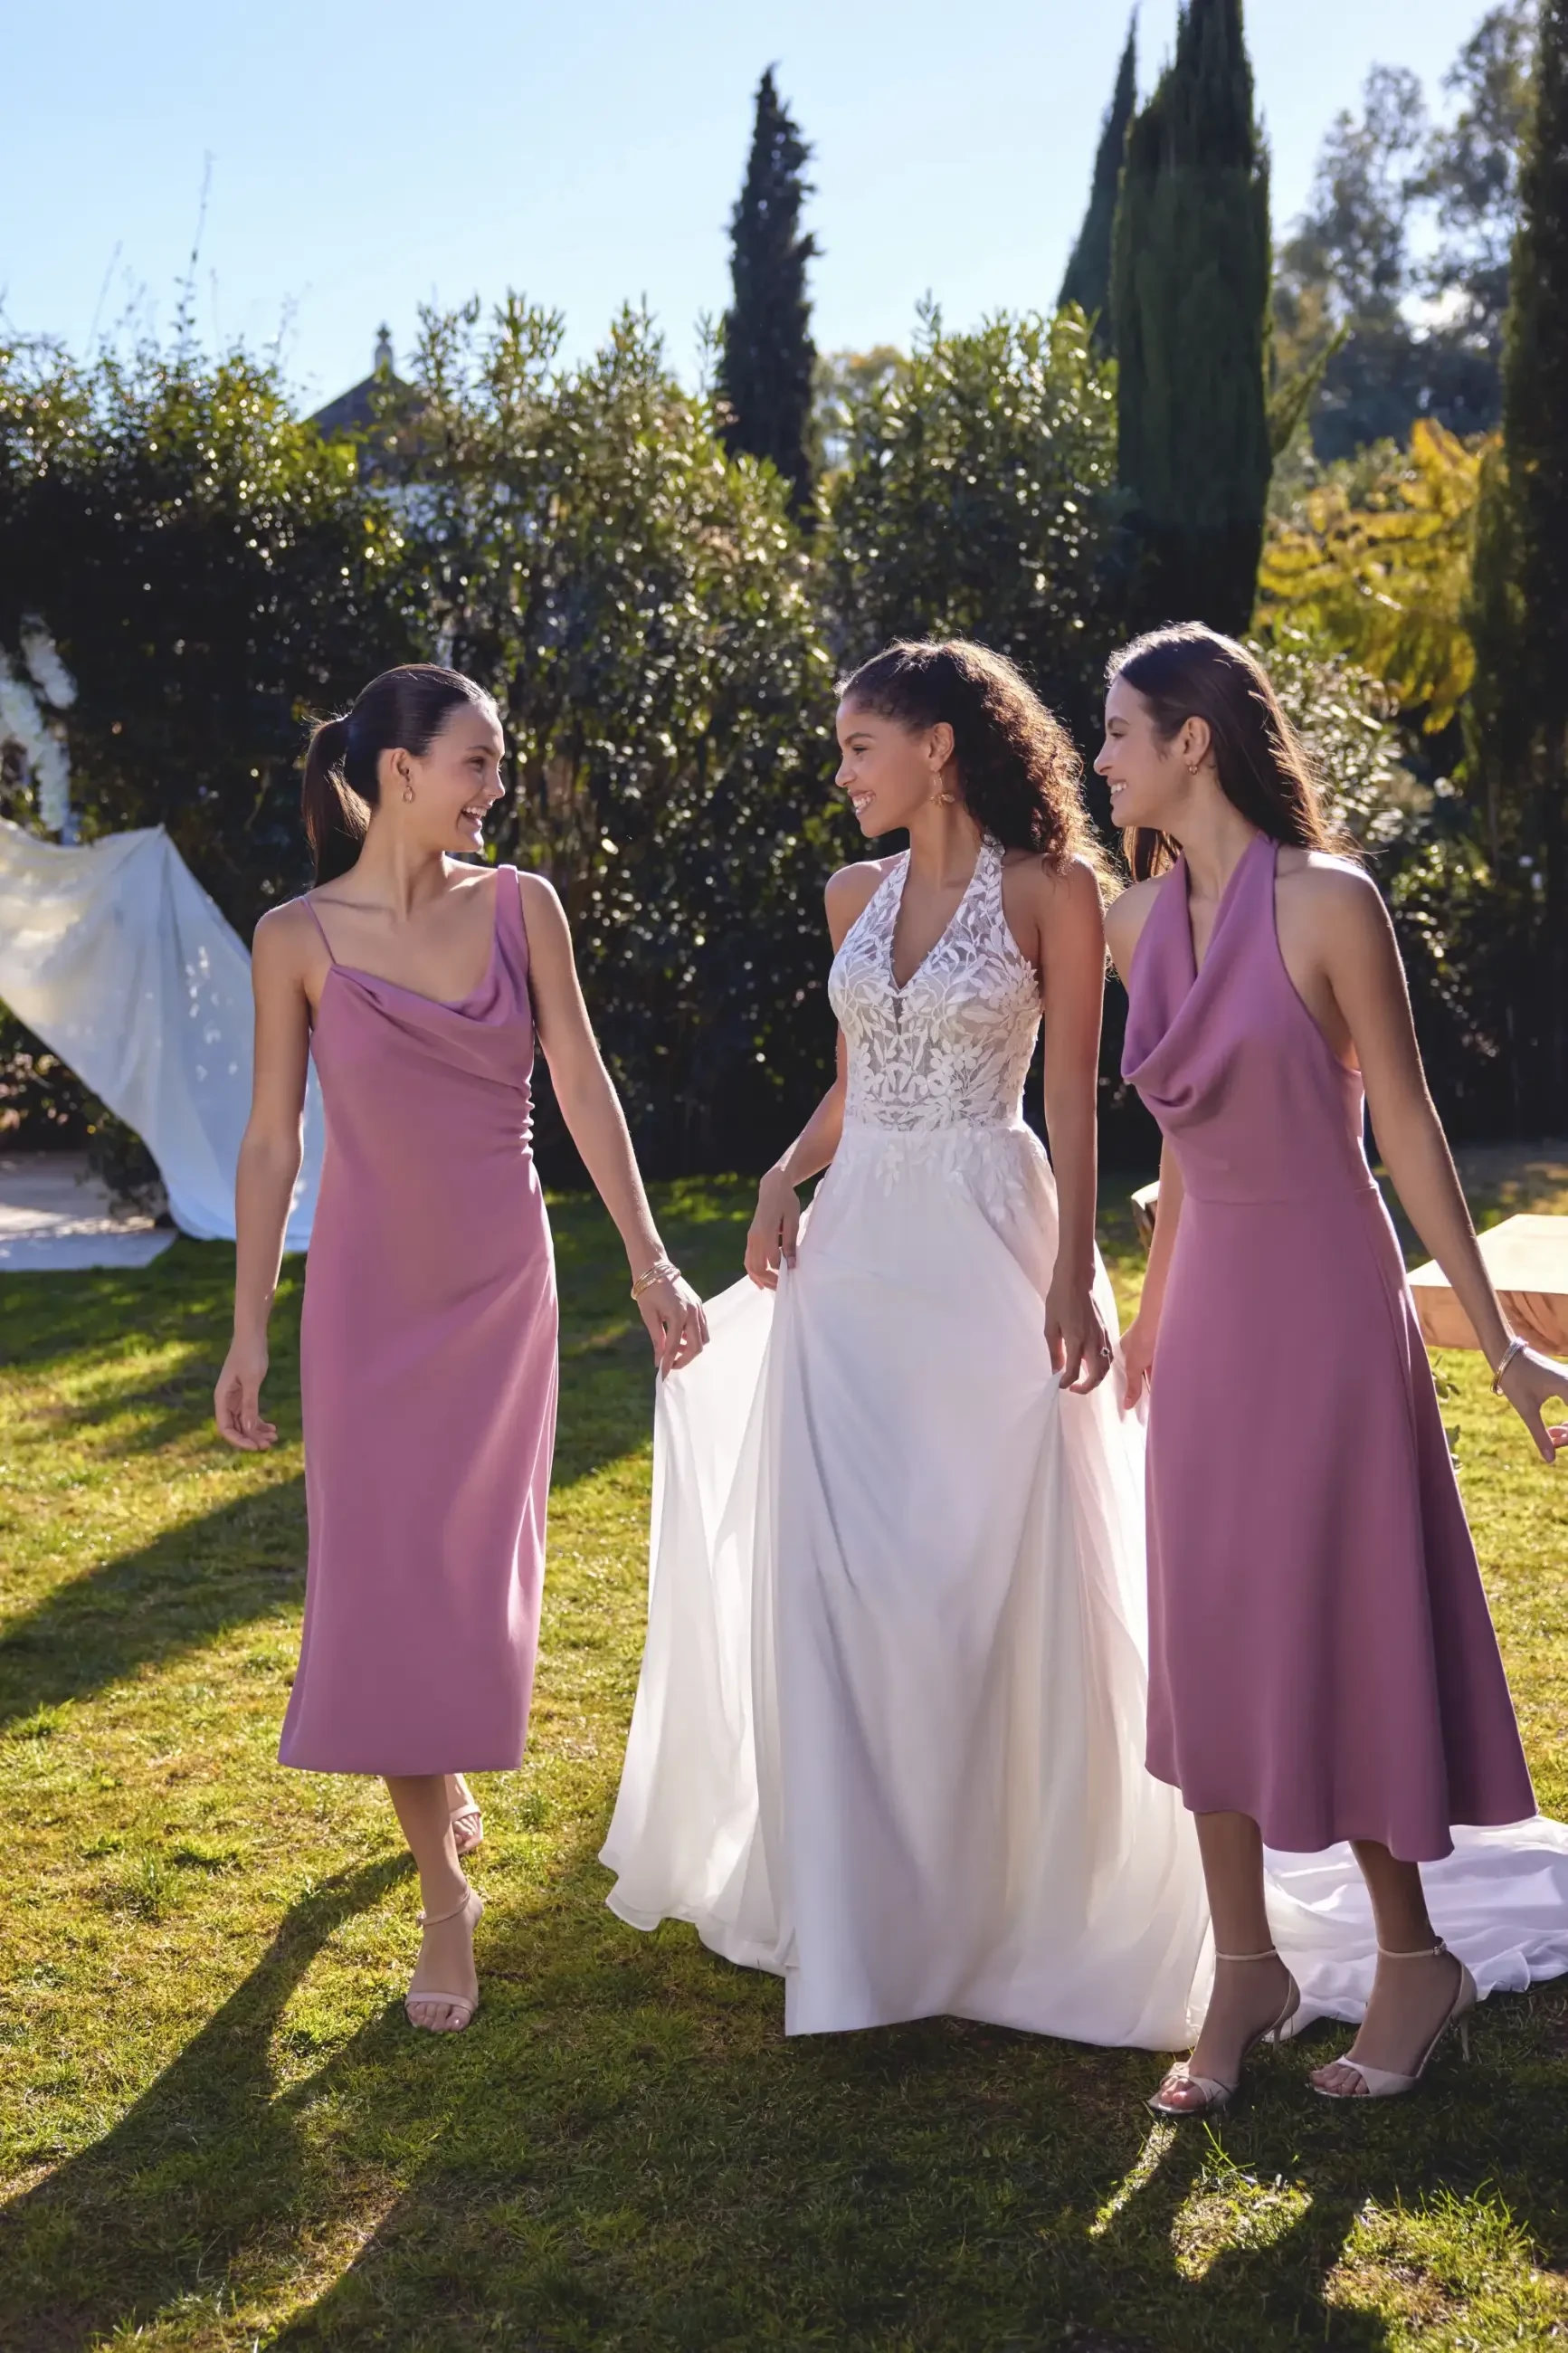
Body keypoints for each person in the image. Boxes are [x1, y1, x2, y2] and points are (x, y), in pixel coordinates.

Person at [601, 639, 1212, 2046]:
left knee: (989, 1561)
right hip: (860, 1244)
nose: (842, 773)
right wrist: (776, 1176)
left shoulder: (1056, 892)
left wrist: (1074, 1276)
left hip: (991, 1242)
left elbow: (1075, 1106)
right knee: (852, 1572)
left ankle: (1013, 1893)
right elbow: (853, 1075)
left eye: (857, 747)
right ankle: (868, 1906)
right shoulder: (850, 894)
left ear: (938, 745)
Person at [1100, 622, 1568, 2110]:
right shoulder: (1129, 924)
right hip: (1215, 1304)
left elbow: (1412, 1130)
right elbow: (1177, 1149)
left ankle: (1411, 1955)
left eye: (1119, 730)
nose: (1101, 756)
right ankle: (1245, 1968)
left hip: (1325, 1297)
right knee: (1210, 1620)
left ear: (1194, 741)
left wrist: (1497, 1346)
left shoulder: (1330, 904)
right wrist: (1155, 1318)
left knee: (1345, 1607)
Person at [214, 662, 707, 2034]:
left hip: (501, 1290)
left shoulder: (520, 908)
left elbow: (584, 1080)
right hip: (368, 1299)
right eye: (478, 764)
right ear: (397, 776)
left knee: (468, 1568)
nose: (498, 787)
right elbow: (271, 1141)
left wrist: (651, 1258)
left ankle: (441, 1776)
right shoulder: (294, 938)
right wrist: (248, 1326)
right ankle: (444, 1892)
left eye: (498, 764)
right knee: (383, 1575)